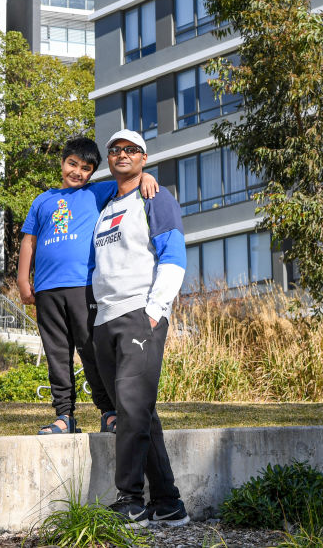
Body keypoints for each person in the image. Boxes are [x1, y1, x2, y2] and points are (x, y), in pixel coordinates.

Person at [17, 137, 158, 436]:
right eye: (72, 164)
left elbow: (128, 180)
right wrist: (22, 280)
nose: (77, 172)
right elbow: (29, 241)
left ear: (93, 172)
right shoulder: (43, 200)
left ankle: (108, 411)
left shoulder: (98, 192)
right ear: (62, 162)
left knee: (92, 350)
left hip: (83, 287)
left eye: (86, 168)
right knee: (56, 353)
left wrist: (146, 175)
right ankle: (63, 416)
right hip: (46, 290)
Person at [91, 130, 189, 528]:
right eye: (115, 150)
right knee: (138, 412)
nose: (122, 155)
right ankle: (168, 503)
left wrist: (154, 310)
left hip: (139, 313)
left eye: (131, 150)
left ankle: (131, 501)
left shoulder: (156, 197)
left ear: (144, 157)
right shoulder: (103, 201)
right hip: (104, 318)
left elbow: (174, 254)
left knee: (132, 408)